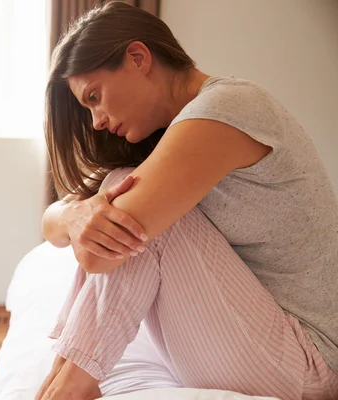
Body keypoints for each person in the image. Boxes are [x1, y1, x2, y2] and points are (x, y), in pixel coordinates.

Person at [35, 2, 338, 400]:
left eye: (95, 96)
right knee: (124, 193)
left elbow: (98, 256)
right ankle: (64, 376)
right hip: (260, 343)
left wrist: (86, 218)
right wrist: (76, 213)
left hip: (308, 362)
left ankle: (70, 387)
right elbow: (53, 223)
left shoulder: (226, 109)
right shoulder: (175, 132)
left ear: (138, 58)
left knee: (133, 209)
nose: (96, 121)